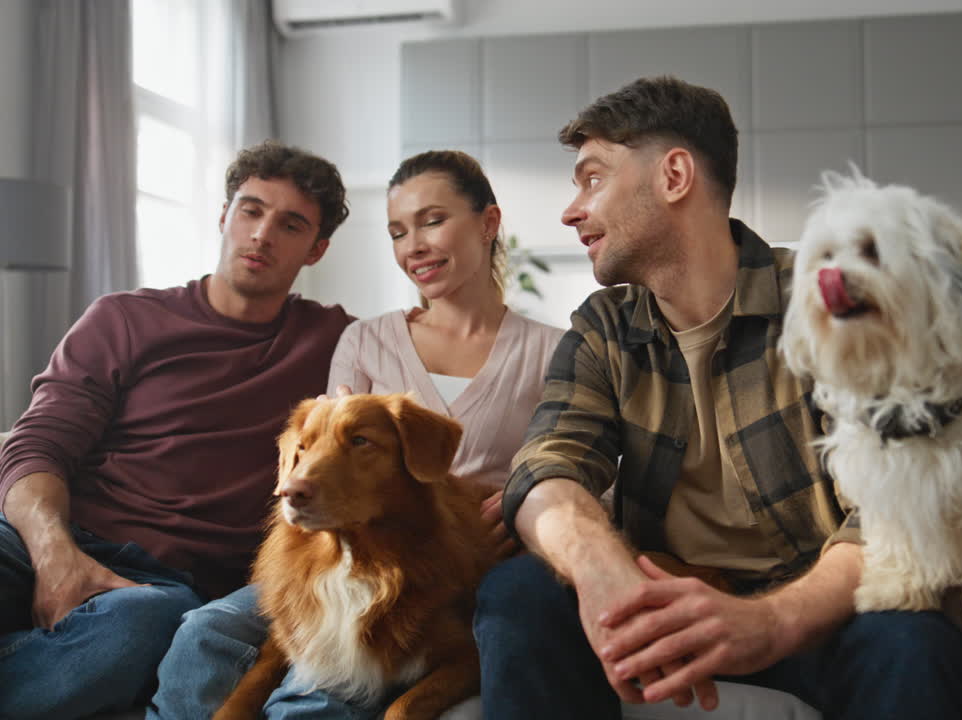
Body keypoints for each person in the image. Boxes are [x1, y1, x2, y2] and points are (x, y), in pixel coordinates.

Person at [474, 75, 962, 720]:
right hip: (665, 593)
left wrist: (767, 623)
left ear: (674, 175)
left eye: (592, 178)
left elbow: (894, 509)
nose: (572, 210)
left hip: (818, 608)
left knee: (913, 639)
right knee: (517, 592)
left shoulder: (828, 301)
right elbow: (548, 467)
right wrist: (606, 577)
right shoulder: (603, 327)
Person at [148, 149, 563, 719]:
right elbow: (326, 447)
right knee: (206, 630)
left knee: (321, 690)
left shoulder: (551, 351)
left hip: (457, 558)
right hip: (347, 557)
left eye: (433, 220)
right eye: (398, 231)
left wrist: (519, 518)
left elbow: (583, 476)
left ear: (488, 223)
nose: (413, 245)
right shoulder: (365, 341)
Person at [0, 140, 352, 719]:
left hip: (160, 586)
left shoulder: (338, 343)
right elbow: (37, 444)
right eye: (251, 210)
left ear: (316, 251)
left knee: (137, 627)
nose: (262, 234)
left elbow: (426, 355)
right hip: (52, 534)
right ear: (223, 216)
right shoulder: (124, 318)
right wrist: (55, 555)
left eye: (290, 225)